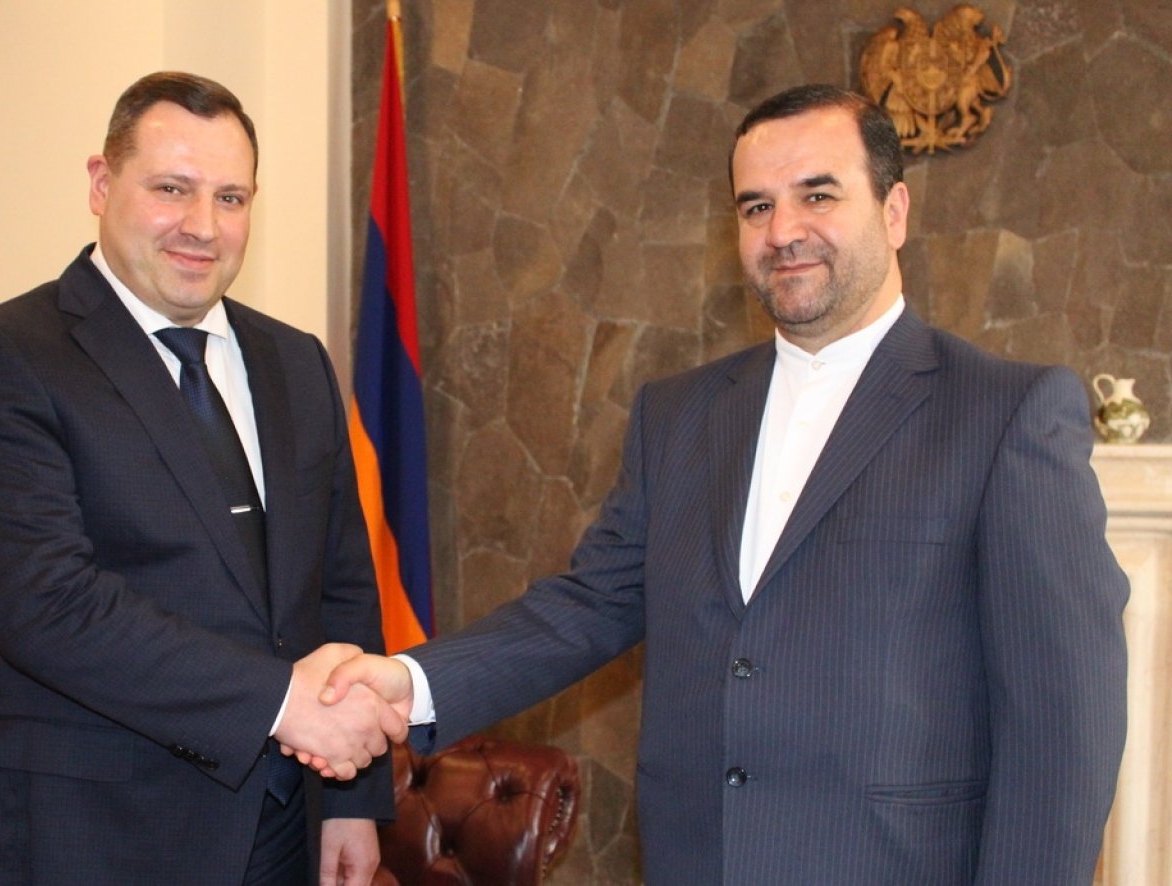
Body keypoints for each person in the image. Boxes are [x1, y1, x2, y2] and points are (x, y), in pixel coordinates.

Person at [317, 84, 1129, 884]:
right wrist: (410, 683)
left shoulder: (1006, 414)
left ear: (895, 212)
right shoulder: (677, 416)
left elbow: (1065, 725)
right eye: (755, 207)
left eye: (817, 195)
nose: (784, 231)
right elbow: (589, 603)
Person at [0, 71, 404, 886]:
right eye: (171, 189)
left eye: (230, 197)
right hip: (87, 838)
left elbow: (342, 586)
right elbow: (49, 606)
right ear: (101, 184)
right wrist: (283, 704)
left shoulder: (296, 362)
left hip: (283, 830)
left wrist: (352, 798)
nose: (202, 227)